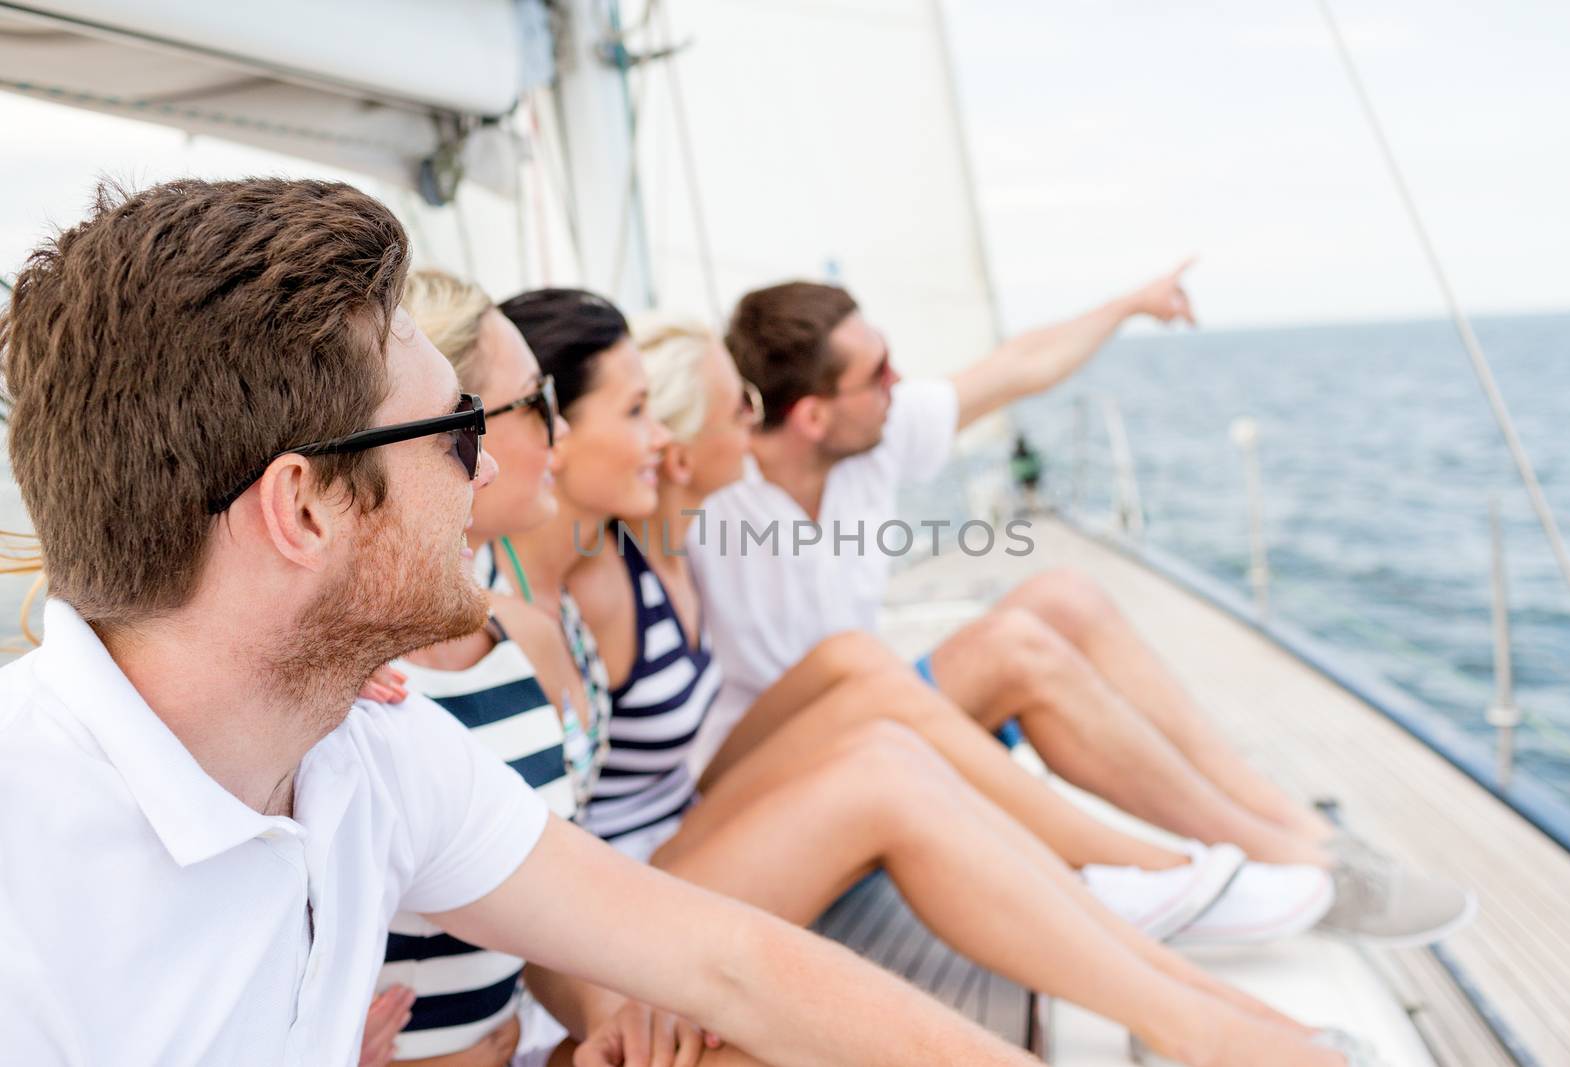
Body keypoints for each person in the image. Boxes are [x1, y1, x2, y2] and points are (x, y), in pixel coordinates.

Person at [0, 177, 1045, 1067]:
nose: (488, 462)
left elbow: (731, 963)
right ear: (302, 507)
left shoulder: (359, 744)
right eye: (456, 430)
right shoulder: (30, 877)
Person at [477, 285, 1387, 1067]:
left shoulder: (616, 551)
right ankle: (1182, 959)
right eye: (637, 414)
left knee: (870, 684)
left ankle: (1192, 941)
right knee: (881, 760)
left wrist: (1128, 303)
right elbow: (518, 868)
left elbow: (1018, 366)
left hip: (660, 847)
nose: (738, 432)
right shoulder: (572, 579)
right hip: (625, 899)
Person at [688, 274, 1474, 946]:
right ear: (812, 416)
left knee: (1063, 596)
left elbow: (1018, 366)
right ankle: (1272, 861)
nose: (902, 382)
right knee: (1008, 650)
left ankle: (1295, 827)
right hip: (764, 764)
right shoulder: (706, 497)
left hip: (867, 707)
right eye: (880, 372)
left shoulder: (873, 436)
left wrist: (1129, 304)